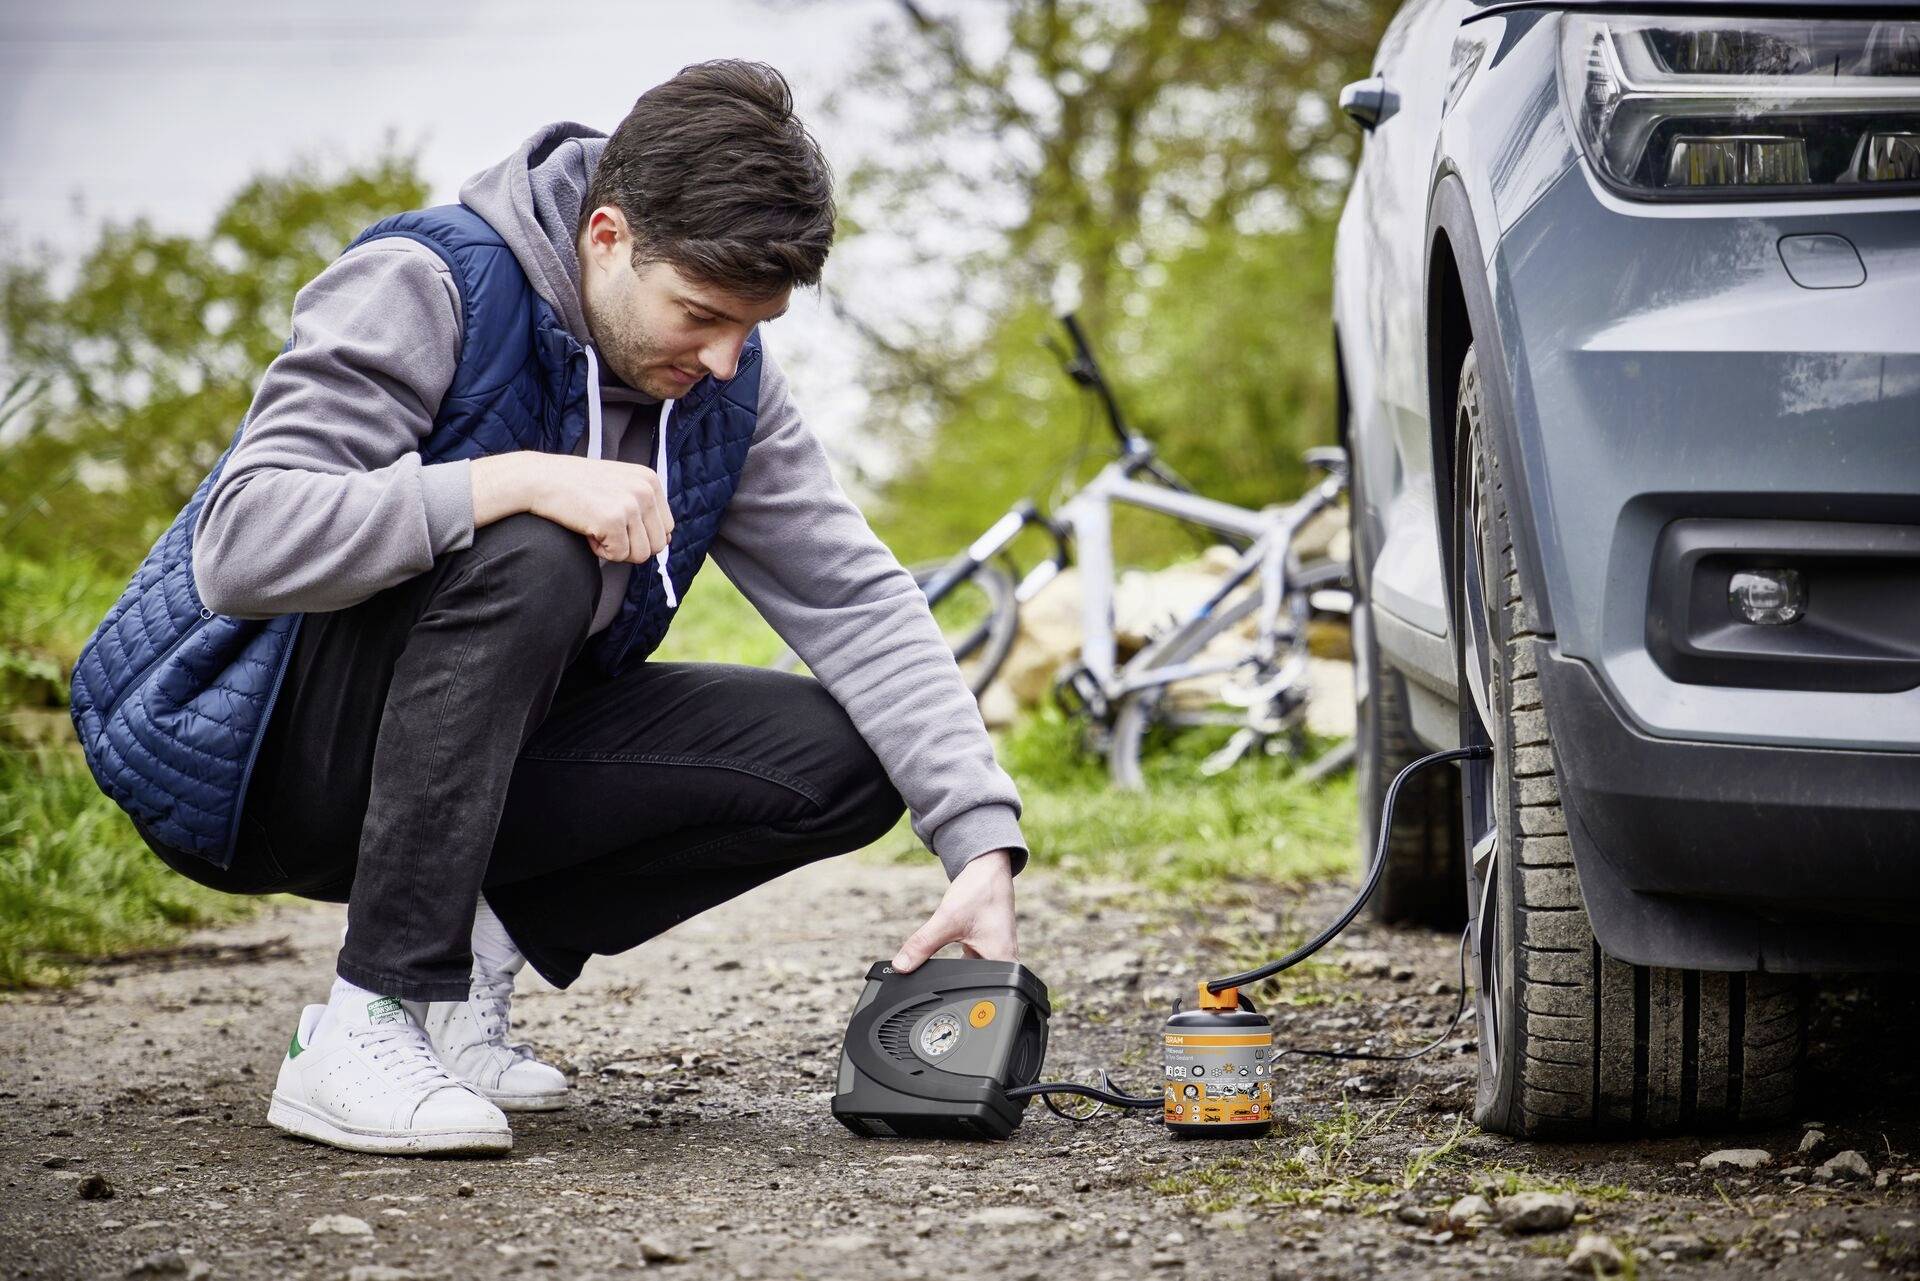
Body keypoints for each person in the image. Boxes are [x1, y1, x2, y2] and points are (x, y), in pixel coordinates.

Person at [72, 61, 1026, 1157]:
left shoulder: (723, 385)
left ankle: (465, 974)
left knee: (847, 754)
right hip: (258, 761)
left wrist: (980, 851)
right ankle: (367, 1022)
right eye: (702, 314)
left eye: (750, 328)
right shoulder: (426, 283)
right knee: (537, 547)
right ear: (608, 237)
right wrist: (511, 479)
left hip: (471, 765)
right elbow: (240, 542)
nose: (724, 357)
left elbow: (861, 604)